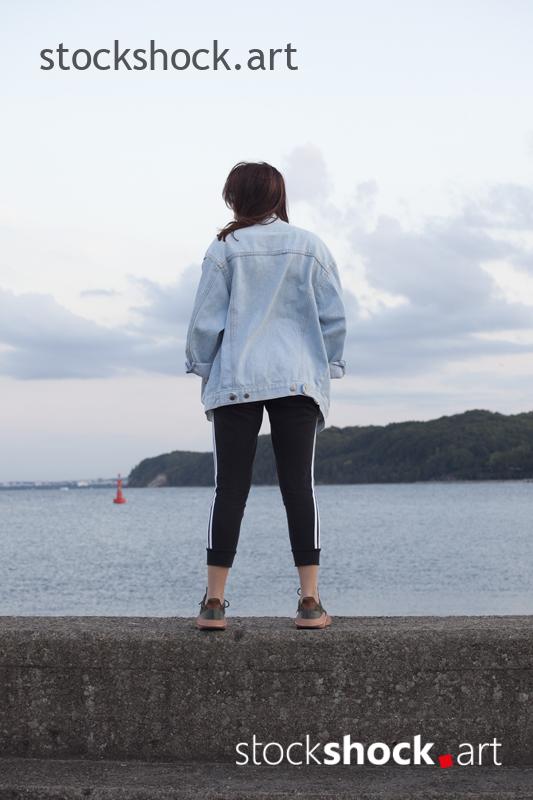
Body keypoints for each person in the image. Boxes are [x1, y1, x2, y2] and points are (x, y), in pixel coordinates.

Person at [185, 161, 346, 630]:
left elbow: (204, 323)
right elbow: (334, 318)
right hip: (298, 377)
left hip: (236, 378)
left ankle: (214, 602)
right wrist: (328, 364)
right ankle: (310, 601)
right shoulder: (310, 246)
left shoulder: (225, 249)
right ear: (277, 197)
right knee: (299, 486)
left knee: (229, 488)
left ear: (237, 198)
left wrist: (203, 367)